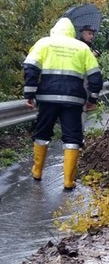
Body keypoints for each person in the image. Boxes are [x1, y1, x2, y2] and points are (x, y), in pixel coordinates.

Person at [23, 13, 104, 191]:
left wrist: (29, 93)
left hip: (47, 99)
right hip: (73, 100)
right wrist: (93, 99)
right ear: (72, 32)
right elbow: (95, 77)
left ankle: (37, 172)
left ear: (54, 30)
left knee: (42, 134)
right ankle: (68, 181)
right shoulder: (82, 48)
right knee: (72, 138)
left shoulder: (44, 43)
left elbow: (30, 68)